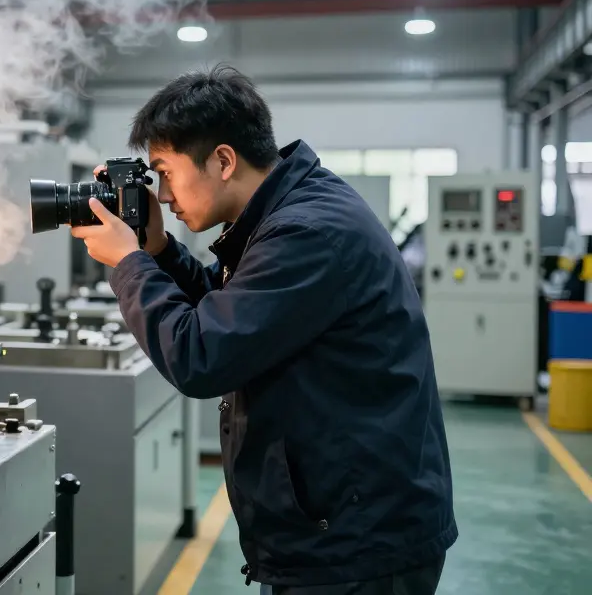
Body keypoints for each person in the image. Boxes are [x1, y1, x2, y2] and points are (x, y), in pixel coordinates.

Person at [70, 65, 456, 594]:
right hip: (343, 527)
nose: (161, 195)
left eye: (164, 172)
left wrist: (128, 264)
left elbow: (200, 354)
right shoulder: (285, 214)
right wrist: (158, 251)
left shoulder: (307, 231)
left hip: (357, 546)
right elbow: (232, 310)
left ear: (223, 160)